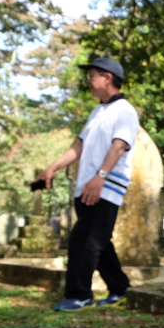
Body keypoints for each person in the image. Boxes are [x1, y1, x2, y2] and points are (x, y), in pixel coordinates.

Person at [34, 57, 140, 311]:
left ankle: (80, 295)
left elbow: (119, 146)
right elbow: (78, 146)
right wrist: (52, 168)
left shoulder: (124, 110)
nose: (88, 81)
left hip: (105, 186)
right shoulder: (98, 111)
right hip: (87, 186)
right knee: (100, 242)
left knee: (84, 241)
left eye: (92, 76)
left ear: (108, 77)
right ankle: (120, 289)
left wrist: (99, 177)